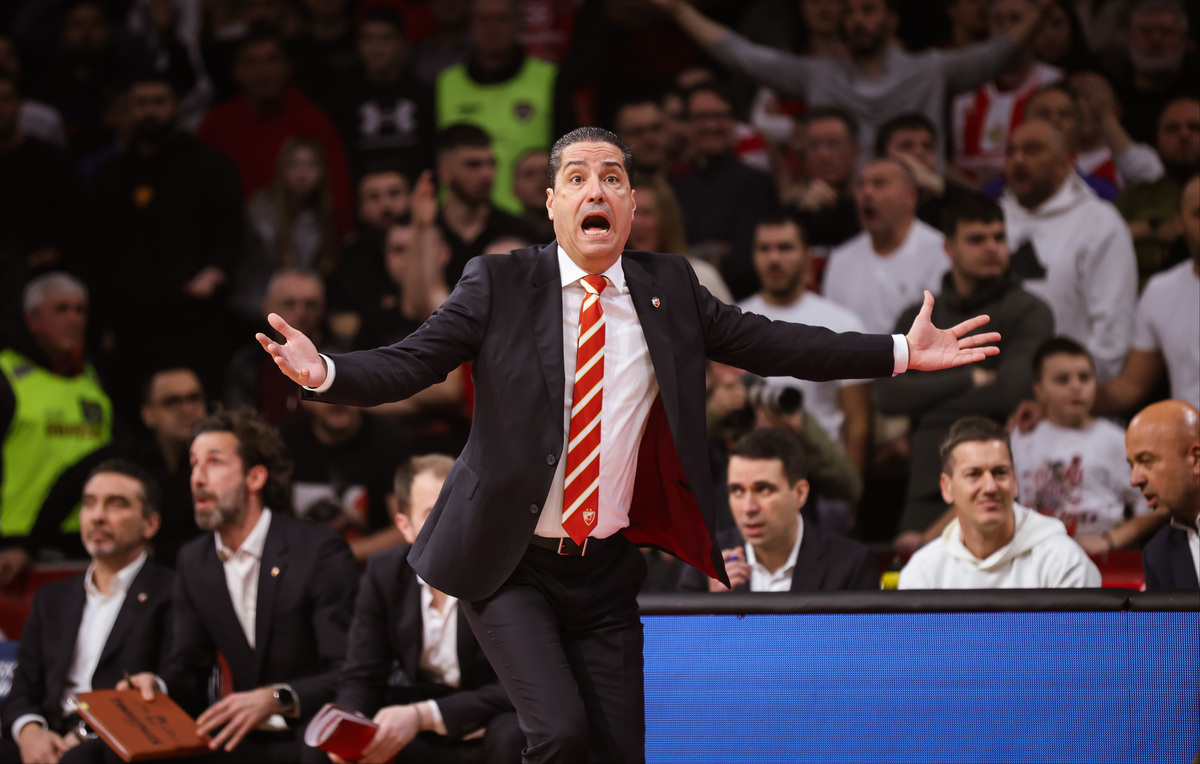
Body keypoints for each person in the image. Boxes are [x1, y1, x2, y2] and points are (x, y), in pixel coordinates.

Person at [257, 125, 1000, 762]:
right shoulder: (498, 284)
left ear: (633, 205)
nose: (596, 190)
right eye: (576, 178)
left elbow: (777, 342)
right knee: (558, 733)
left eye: (612, 177)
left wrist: (901, 352)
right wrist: (324, 371)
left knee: (619, 750)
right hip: (508, 561)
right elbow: (410, 361)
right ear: (551, 205)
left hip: (605, 568)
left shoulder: (668, 289)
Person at [121, 409, 359, 762]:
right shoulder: (194, 560)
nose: (197, 478)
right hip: (242, 738)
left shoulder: (319, 551)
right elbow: (188, 666)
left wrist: (278, 697)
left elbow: (349, 670)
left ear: (255, 477)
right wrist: (157, 686)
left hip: (310, 731)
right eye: (193, 464)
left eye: (214, 462)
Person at [652, 0, 1055, 168]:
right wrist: (678, 10)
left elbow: (998, 53)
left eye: (868, 9)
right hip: (841, 212)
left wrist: (1043, 10)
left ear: (891, 18)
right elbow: (743, 55)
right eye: (850, 12)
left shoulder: (930, 70)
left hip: (922, 208)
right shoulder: (819, 74)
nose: (857, 20)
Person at [877, 191, 1054, 543]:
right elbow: (887, 394)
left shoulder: (1030, 310)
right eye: (976, 239)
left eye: (998, 237)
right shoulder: (922, 316)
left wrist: (925, 407)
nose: (991, 247)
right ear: (949, 248)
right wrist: (971, 378)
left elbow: (1010, 392)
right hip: (928, 478)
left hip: (1003, 478)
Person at [332, 454, 523, 764]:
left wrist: (424, 715)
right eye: (433, 513)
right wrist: (351, 727)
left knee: (512, 736)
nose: (451, 524)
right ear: (404, 527)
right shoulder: (385, 573)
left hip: (495, 718)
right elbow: (363, 675)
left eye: (460, 510)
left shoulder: (503, 573)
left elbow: (520, 687)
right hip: (424, 726)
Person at [87, 71, 243, 417]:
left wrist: (215, 270)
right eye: (140, 104)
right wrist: (103, 322)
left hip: (194, 324)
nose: (150, 112)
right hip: (131, 331)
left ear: (178, 106)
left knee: (198, 420)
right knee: (134, 420)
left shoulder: (210, 166)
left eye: (159, 102)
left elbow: (231, 232)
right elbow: (95, 252)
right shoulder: (111, 175)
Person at [0, 460, 172, 764]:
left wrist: (80, 738)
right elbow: (23, 686)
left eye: (116, 504)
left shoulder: (172, 593)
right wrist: (29, 731)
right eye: (89, 504)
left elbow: (176, 682)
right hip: (49, 731)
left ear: (151, 524)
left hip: (116, 741)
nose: (98, 516)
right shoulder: (51, 598)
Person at [1000, 118, 1137, 381]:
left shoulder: (1099, 222)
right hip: (999, 390)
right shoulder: (992, 218)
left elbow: (1113, 330)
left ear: (1065, 163)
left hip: (1073, 395)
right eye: (1011, 151)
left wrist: (1072, 387)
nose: (1018, 160)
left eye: (1032, 150)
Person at [898, 416, 1101, 588]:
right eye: (974, 474)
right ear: (946, 487)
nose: (990, 487)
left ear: (1014, 482)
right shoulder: (923, 573)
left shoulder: (1064, 563)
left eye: (1000, 472)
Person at [0, 274, 112, 585]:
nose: (74, 319)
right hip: (15, 549)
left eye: (80, 310)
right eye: (61, 309)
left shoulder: (92, 379)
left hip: (86, 541)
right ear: (32, 319)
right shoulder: (6, 376)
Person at [738, 215, 871, 473]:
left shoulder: (842, 324)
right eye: (764, 249)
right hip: (754, 471)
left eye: (785, 248)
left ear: (807, 255)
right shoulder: (733, 321)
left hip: (824, 469)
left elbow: (859, 423)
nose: (773, 259)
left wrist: (851, 489)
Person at [1011, 337, 1163, 554]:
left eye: (1085, 378)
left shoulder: (1117, 440)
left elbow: (1152, 507)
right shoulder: (1021, 436)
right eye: (1062, 380)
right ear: (1039, 390)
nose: (1076, 387)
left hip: (1102, 557)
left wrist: (1109, 541)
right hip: (1034, 554)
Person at [678, 428, 877, 593]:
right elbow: (680, 639)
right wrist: (711, 613)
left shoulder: (851, 565)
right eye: (737, 490)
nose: (748, 508)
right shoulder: (704, 562)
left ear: (800, 494)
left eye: (763, 489)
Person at [197, 28, 354, 234]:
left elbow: (339, 193)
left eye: (272, 60)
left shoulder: (313, 121)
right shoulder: (215, 126)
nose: (263, 71)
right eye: (252, 62)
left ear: (288, 67)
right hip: (234, 245)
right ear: (236, 71)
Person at [436, 0, 558, 215]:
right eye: (483, 20)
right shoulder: (446, 84)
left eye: (501, 19)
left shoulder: (548, 79)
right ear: (470, 25)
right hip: (460, 219)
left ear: (519, 24)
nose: (492, 28)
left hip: (532, 218)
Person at [668, 81, 782, 300]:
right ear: (688, 124)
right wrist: (715, 251)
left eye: (720, 116)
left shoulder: (758, 185)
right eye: (701, 117)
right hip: (679, 303)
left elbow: (746, 266)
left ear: (733, 122)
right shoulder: (673, 186)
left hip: (741, 309)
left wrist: (688, 253)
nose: (711, 125)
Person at [823, 158, 949, 334]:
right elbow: (831, 328)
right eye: (861, 185)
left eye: (879, 184)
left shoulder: (940, 252)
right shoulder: (841, 258)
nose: (866, 192)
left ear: (910, 195)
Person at [281, 399, 411, 562]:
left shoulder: (391, 442)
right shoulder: (285, 441)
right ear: (303, 396)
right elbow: (274, 526)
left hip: (367, 575)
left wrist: (336, 554)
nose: (337, 400)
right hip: (299, 567)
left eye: (347, 386)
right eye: (325, 388)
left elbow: (406, 530)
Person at [950, 0, 1063, 185]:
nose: (1006, 27)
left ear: (1036, 27)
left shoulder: (1056, 85)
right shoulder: (962, 85)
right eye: (997, 20)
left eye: (1015, 19)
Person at [433, 123, 535, 287]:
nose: (487, 174)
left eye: (491, 164)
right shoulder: (429, 231)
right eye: (473, 165)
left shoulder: (518, 231)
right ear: (444, 172)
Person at [134, 367, 208, 567]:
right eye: (172, 402)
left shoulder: (226, 462)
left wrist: (158, 552)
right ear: (147, 414)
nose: (186, 408)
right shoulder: (129, 461)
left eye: (194, 398)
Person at [1127, 400, 1199, 589]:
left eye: (1147, 461)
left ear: (1196, 460)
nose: (1134, 480)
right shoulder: (1158, 554)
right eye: (1131, 466)